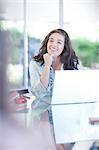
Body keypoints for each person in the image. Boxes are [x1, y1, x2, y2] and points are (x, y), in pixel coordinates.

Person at [29, 28, 93, 150]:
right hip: (43, 109)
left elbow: (82, 85)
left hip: (66, 109)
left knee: (78, 138)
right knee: (48, 138)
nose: (54, 45)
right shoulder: (35, 63)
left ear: (64, 46)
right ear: (46, 43)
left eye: (59, 42)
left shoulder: (72, 63)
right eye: (51, 41)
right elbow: (39, 93)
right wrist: (47, 65)